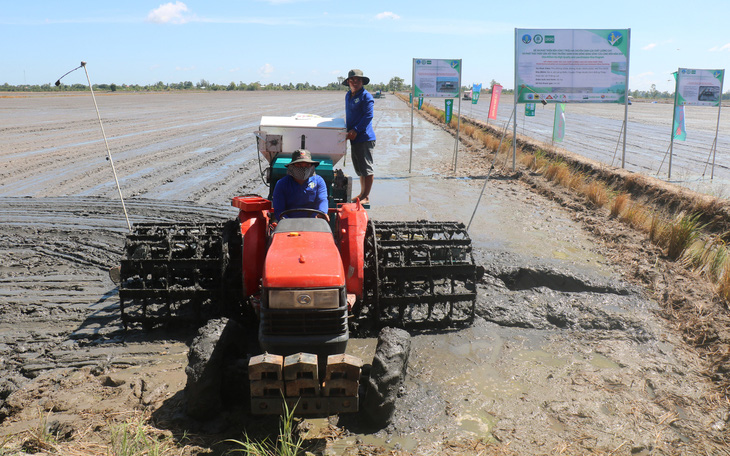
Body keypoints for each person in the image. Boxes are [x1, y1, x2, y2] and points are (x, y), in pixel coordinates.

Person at [343, 69, 376, 205]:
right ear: (348, 82)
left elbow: (368, 115)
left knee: (366, 168)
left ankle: (366, 196)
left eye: (358, 80)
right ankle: (362, 194)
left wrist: (356, 130)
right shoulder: (348, 95)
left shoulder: (366, 96)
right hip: (354, 137)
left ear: (362, 82)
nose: (355, 82)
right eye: (352, 80)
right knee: (360, 168)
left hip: (364, 137)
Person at [272, 149, 329, 221]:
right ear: (292, 166)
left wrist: (322, 212)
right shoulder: (282, 183)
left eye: (307, 165)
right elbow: (279, 209)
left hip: (313, 222)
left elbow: (322, 200)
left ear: (311, 166)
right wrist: (287, 222)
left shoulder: (318, 181)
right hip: (288, 223)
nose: (303, 168)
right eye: (299, 165)